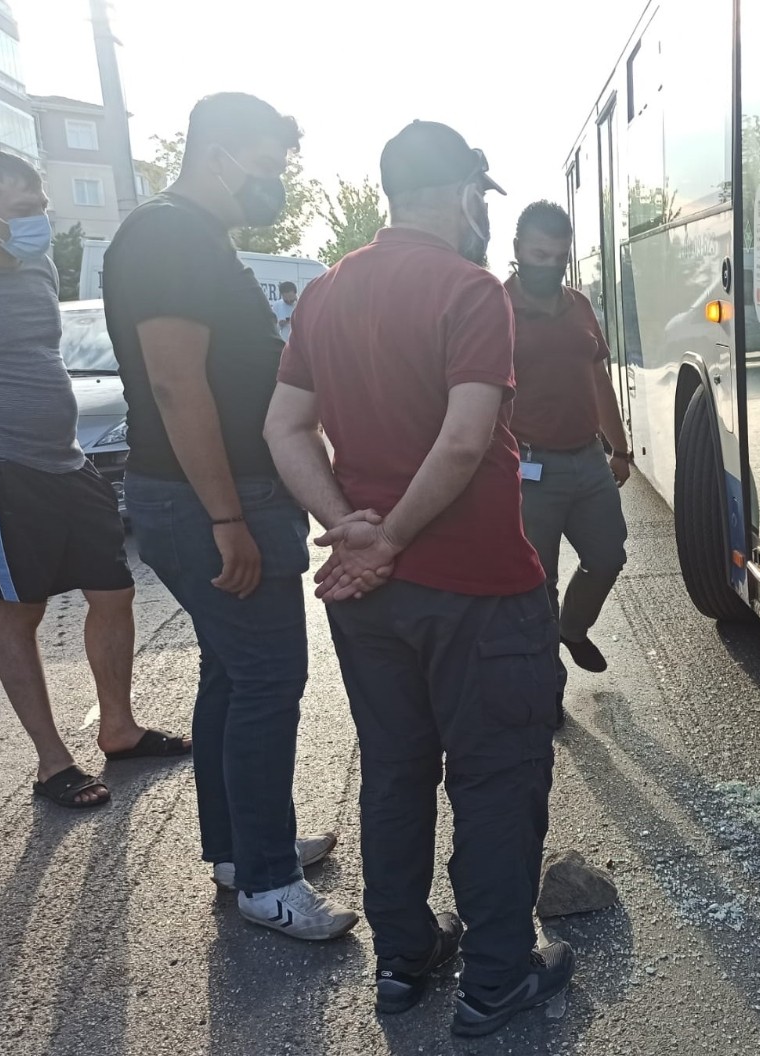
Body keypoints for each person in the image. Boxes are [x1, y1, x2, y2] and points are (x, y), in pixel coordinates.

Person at [265, 119, 573, 1036]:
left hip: (372, 601)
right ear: (460, 191)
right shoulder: (471, 289)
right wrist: (390, 535)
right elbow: (468, 436)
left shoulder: (324, 293)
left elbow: (284, 428)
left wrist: (347, 530)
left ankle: (405, 961)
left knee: (394, 772)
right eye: (482, 195)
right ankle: (496, 982)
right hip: (478, 588)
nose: (485, 212)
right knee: (495, 777)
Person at [102, 94, 354, 942]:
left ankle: (243, 851)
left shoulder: (193, 237)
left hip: (221, 494)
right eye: (268, 162)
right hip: (212, 497)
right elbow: (178, 385)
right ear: (217, 155)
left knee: (230, 673)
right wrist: (225, 517)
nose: (274, 181)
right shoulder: (168, 236)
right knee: (269, 681)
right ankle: (270, 883)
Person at [0, 151, 189, 811]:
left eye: (41, 207)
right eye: (24, 211)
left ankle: (119, 727)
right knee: (19, 610)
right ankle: (53, 763)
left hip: (66, 461)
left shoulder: (37, 266)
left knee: (112, 592)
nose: (39, 222)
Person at [505, 201, 630, 674]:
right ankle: (547, 689)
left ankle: (572, 629)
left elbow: (599, 378)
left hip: (588, 459)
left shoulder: (577, 303)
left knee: (607, 556)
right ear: (517, 250)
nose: (552, 267)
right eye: (540, 255)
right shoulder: (497, 307)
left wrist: (619, 448)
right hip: (530, 467)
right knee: (539, 582)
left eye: (561, 257)